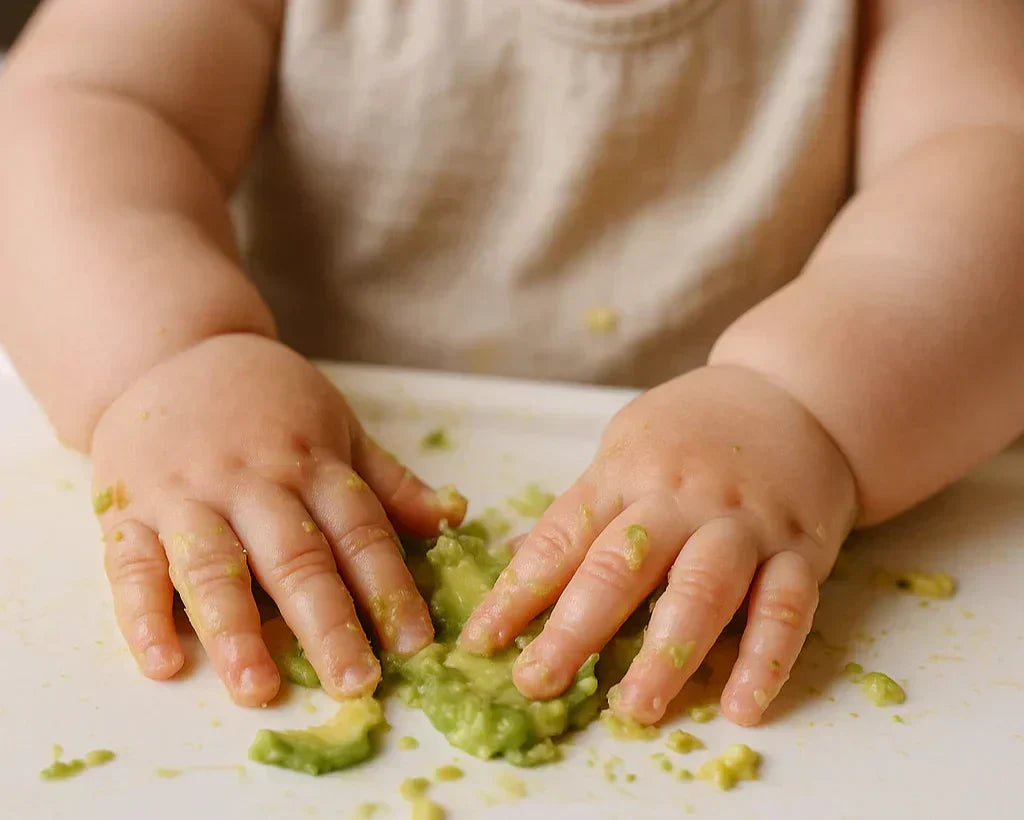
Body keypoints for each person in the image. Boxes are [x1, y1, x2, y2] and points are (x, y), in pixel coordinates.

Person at [0, 0, 1021, 728]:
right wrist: (165, 357)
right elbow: (74, 109)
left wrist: (812, 405)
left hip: (771, 470)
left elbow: (992, 159)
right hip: (277, 456)